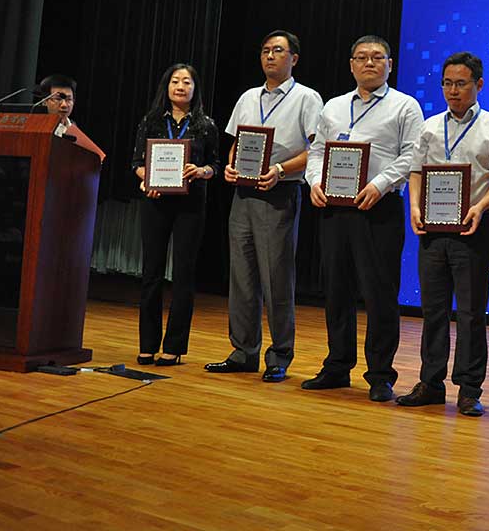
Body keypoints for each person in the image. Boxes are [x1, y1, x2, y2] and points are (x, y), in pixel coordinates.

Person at [303, 35, 424, 402]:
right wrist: (313, 181)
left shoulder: (405, 106)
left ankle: (380, 375)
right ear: (351, 65)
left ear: (390, 64)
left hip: (378, 208)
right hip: (335, 207)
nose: (369, 63)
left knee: (380, 293)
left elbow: (412, 155)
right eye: (361, 57)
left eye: (377, 57)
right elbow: (316, 151)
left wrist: (380, 183)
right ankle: (337, 366)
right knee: (336, 289)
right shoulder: (334, 106)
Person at [394, 52, 489, 416]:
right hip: (432, 228)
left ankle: (469, 389)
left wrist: (481, 206)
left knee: (471, 312)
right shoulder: (430, 127)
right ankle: (430, 383)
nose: (453, 91)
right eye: (447, 83)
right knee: (433, 310)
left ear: (479, 84)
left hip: (473, 227)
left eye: (461, 83)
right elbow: (416, 171)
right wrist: (415, 207)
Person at [204, 31, 323, 383]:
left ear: (294, 59)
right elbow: (237, 143)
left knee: (276, 278)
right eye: (266, 50)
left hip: (279, 191)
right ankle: (243, 352)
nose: (270, 56)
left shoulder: (307, 98)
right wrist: (230, 165)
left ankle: (280, 355)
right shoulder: (247, 97)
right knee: (242, 275)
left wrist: (281, 170)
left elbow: (316, 150)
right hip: (243, 193)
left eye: (278, 50)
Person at [131, 63, 220, 366]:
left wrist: (202, 170)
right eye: (175, 81)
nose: (180, 87)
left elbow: (215, 166)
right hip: (155, 202)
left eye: (186, 82)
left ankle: (174, 347)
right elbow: (137, 163)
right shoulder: (151, 120)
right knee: (151, 274)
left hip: (191, 205)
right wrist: (147, 179)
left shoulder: (206, 125)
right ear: (166, 87)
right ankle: (147, 344)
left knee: (183, 274)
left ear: (195, 89)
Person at [39, 74, 106, 161]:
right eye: (58, 99)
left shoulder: (75, 129)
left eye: (68, 99)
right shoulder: (37, 127)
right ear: (44, 102)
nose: (64, 105)